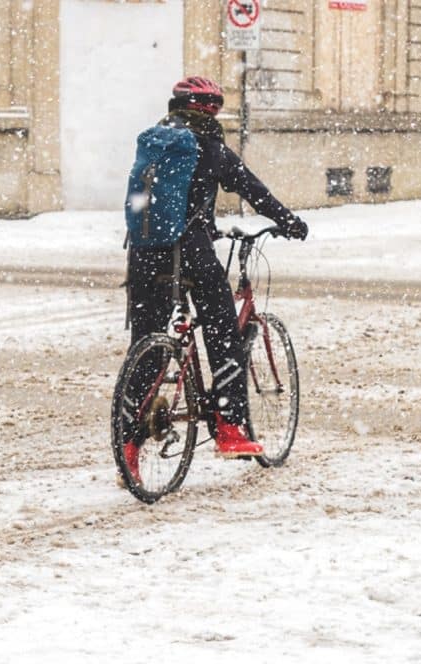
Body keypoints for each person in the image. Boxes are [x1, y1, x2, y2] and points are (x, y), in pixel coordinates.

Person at [123, 76, 308, 479]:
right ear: (211, 111)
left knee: (147, 346)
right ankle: (229, 427)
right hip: (189, 250)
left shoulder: (153, 142)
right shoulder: (210, 147)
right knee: (223, 328)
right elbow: (254, 191)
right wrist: (289, 222)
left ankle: (128, 448)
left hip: (142, 252)